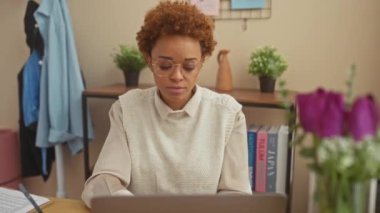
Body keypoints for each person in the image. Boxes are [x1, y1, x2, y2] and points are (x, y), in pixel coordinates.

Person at [82, 1, 251, 207]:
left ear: (202, 61)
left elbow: (237, 195)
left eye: (189, 66)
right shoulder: (127, 110)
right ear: (149, 60)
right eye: (164, 65)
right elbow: (101, 183)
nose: (177, 76)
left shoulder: (228, 114)